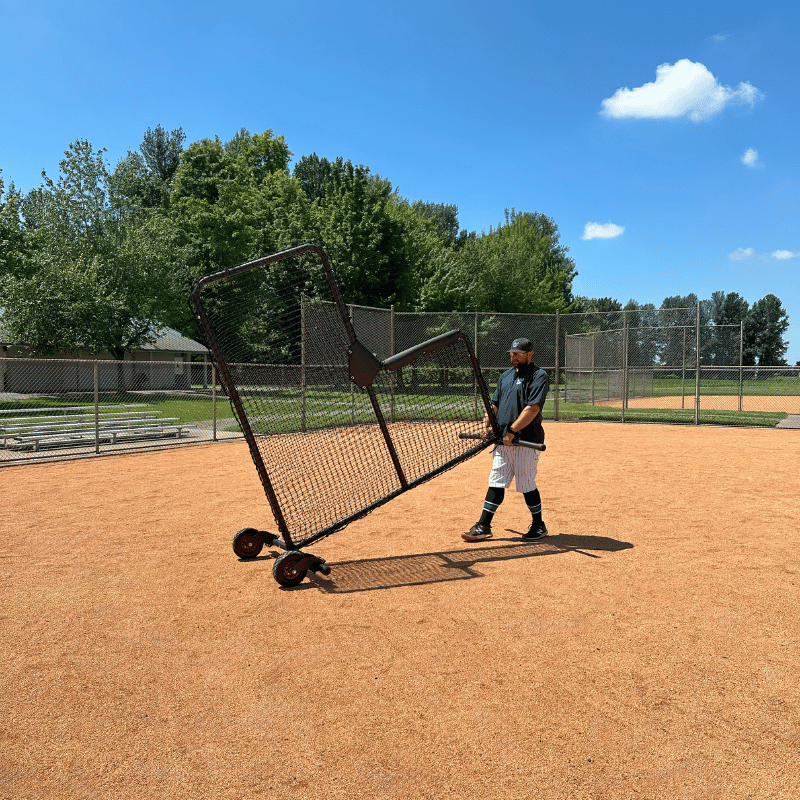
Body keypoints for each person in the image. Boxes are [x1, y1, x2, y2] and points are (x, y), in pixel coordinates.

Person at [462, 337, 549, 542]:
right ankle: (484, 525)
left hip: (527, 439)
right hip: (502, 440)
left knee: (526, 483)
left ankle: (538, 525)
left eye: (518, 354)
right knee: (497, 481)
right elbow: (494, 404)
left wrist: (512, 430)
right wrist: (487, 425)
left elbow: (533, 408)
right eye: (512, 354)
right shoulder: (506, 377)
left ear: (530, 354)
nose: (514, 357)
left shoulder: (539, 376)